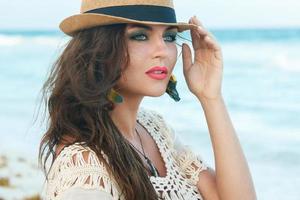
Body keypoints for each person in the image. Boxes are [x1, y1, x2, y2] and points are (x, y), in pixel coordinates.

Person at [39, 0, 257, 199]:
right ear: (99, 48)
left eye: (169, 37)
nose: (162, 50)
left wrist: (211, 98)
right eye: (140, 36)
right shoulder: (86, 171)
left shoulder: (154, 130)